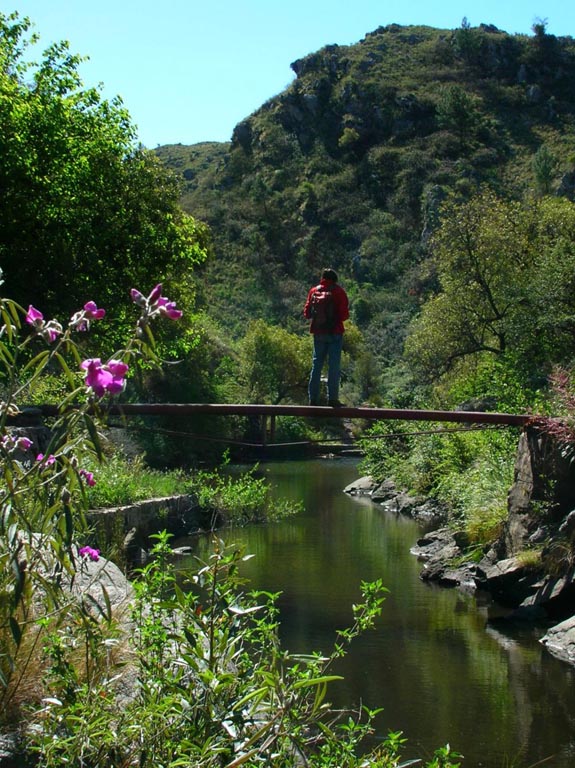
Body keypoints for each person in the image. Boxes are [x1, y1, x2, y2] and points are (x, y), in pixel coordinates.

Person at [303, 268, 349, 406]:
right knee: (333, 367)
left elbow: (307, 313)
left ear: (322, 277)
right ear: (335, 279)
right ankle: (332, 399)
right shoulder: (339, 292)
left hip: (319, 333)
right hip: (335, 333)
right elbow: (344, 315)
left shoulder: (314, 291)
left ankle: (313, 399)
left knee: (316, 365)